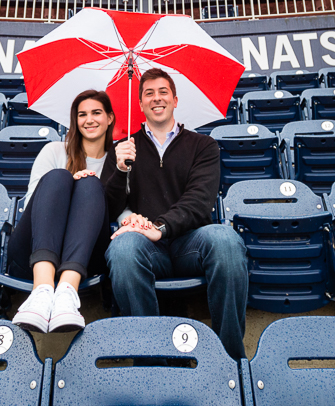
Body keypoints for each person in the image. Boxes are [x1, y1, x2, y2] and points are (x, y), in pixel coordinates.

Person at [102, 68, 248, 359]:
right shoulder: (123, 148)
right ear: (141, 104)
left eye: (163, 92)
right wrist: (119, 170)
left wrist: (161, 226)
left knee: (226, 240)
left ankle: (228, 358)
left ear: (175, 100)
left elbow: (200, 201)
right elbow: (109, 207)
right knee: (121, 249)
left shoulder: (203, 146)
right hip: (146, 247)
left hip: (190, 243)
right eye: (149, 94)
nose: (157, 99)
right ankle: (151, 359)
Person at [9, 89, 114, 333]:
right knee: (58, 177)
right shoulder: (54, 151)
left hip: (88, 257)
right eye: (82, 114)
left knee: (89, 184)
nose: (89, 120)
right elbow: (34, 206)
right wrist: (69, 182)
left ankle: (67, 294)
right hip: (36, 248)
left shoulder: (119, 160)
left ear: (110, 118)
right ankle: (42, 291)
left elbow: (120, 212)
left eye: (96, 113)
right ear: (75, 121)